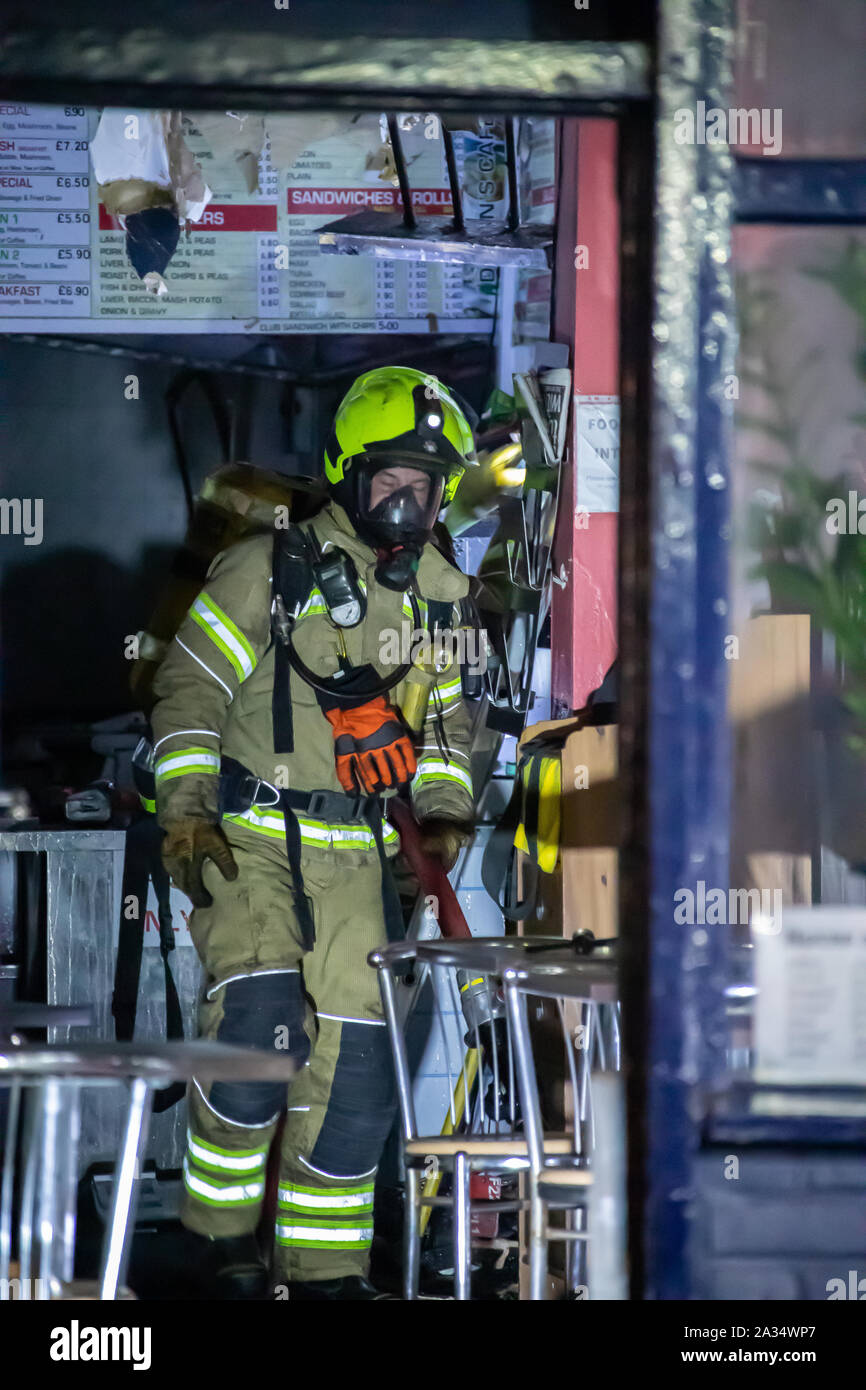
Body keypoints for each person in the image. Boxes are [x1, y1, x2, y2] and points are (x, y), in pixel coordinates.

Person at [150, 366, 478, 1299]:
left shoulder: (445, 600)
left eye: (425, 483)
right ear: (347, 473)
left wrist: (445, 817)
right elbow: (187, 690)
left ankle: (324, 1275)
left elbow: (454, 729)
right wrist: (185, 812)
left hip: (364, 860)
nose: (406, 502)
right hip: (248, 839)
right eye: (389, 481)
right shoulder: (271, 568)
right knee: (258, 1033)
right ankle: (220, 1247)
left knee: (359, 1076)